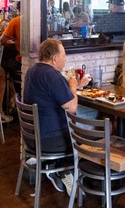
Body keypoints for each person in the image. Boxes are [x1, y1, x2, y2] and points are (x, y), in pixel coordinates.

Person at [23, 39, 90, 193]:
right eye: (64, 56)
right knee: (87, 135)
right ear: (54, 58)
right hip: (49, 141)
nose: (65, 60)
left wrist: (75, 87)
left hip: (32, 139)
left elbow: (54, 95)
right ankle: (66, 172)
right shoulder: (53, 76)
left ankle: (56, 168)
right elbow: (72, 107)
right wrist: (73, 85)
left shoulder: (32, 71)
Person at [0, 2, 22, 97]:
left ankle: (13, 97)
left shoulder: (16, 21)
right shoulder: (40, 21)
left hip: (20, 61)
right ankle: (14, 97)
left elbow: (2, 41)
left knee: (3, 66)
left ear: (18, 10)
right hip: (37, 62)